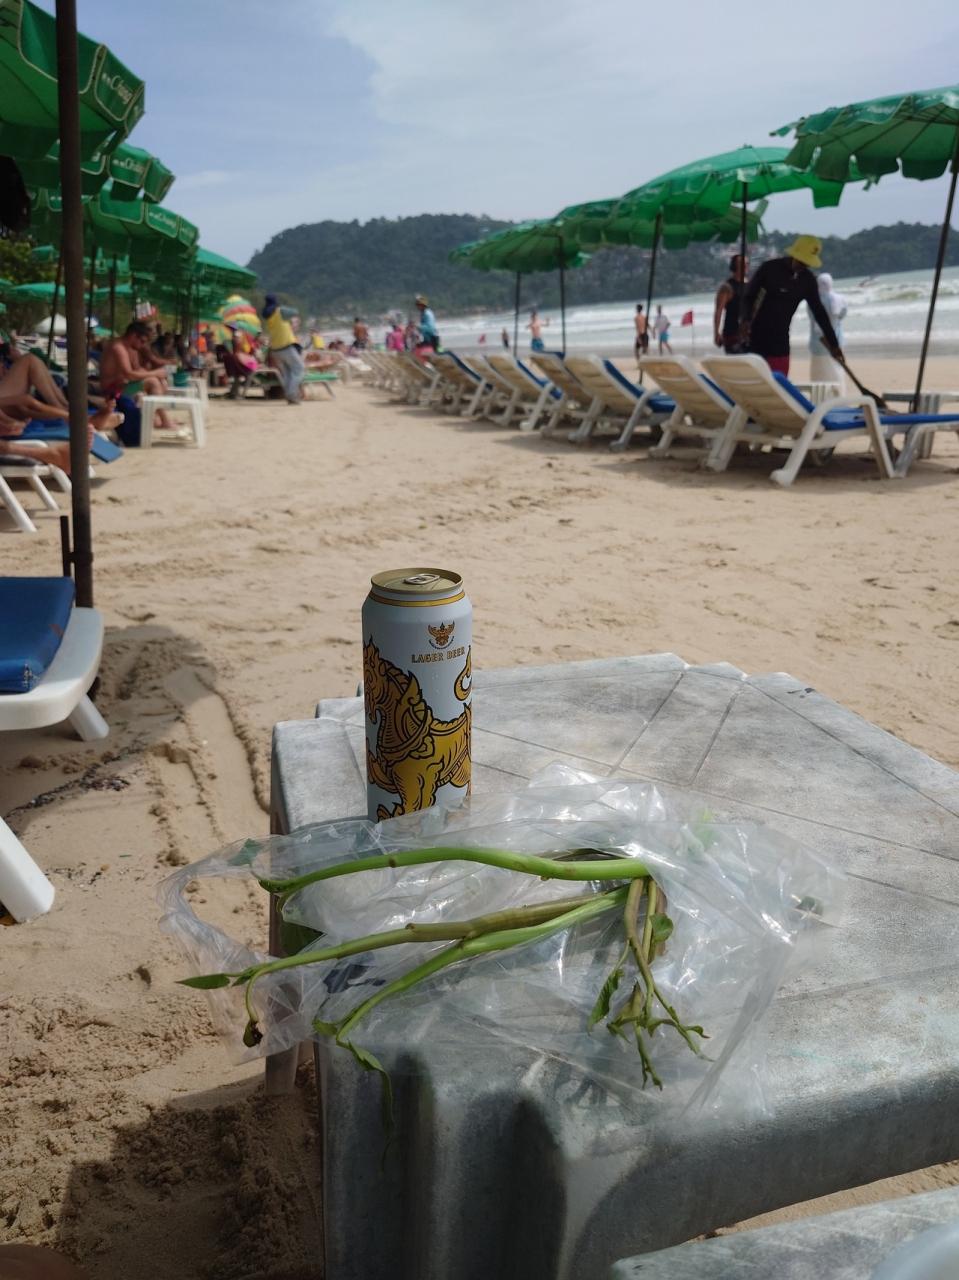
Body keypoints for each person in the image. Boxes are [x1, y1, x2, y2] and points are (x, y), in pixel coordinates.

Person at [741, 235, 842, 377]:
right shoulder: (770, 268)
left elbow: (819, 313)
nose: (803, 265)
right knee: (755, 383)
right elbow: (748, 296)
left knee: (779, 384)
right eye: (801, 261)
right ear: (794, 253)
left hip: (781, 342)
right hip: (757, 339)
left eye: (807, 263)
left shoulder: (808, 280)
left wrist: (834, 344)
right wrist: (745, 320)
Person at [99, 321, 174, 432]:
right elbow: (129, 374)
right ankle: (165, 421)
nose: (143, 345)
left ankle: (158, 418)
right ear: (133, 336)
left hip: (121, 386)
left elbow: (137, 370)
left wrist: (157, 375)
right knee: (152, 382)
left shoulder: (128, 348)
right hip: (112, 390)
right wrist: (155, 373)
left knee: (158, 381)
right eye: (142, 341)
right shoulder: (118, 347)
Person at [261, 292, 304, 404]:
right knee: (299, 369)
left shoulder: (267, 315)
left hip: (276, 349)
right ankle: (291, 394)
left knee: (288, 373)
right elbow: (295, 311)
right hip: (286, 346)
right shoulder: (280, 311)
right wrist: (281, 307)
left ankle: (290, 396)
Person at [809, 271, 848, 390]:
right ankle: (838, 394)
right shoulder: (840, 299)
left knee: (819, 375)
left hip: (818, 343)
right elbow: (842, 315)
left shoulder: (813, 301)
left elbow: (813, 319)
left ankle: (821, 396)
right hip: (837, 342)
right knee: (837, 371)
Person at [713, 254, 749, 353]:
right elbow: (718, 311)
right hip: (732, 334)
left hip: (747, 334)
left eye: (747, 263)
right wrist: (716, 333)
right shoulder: (727, 287)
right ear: (734, 266)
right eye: (742, 263)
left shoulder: (750, 284)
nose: (745, 266)